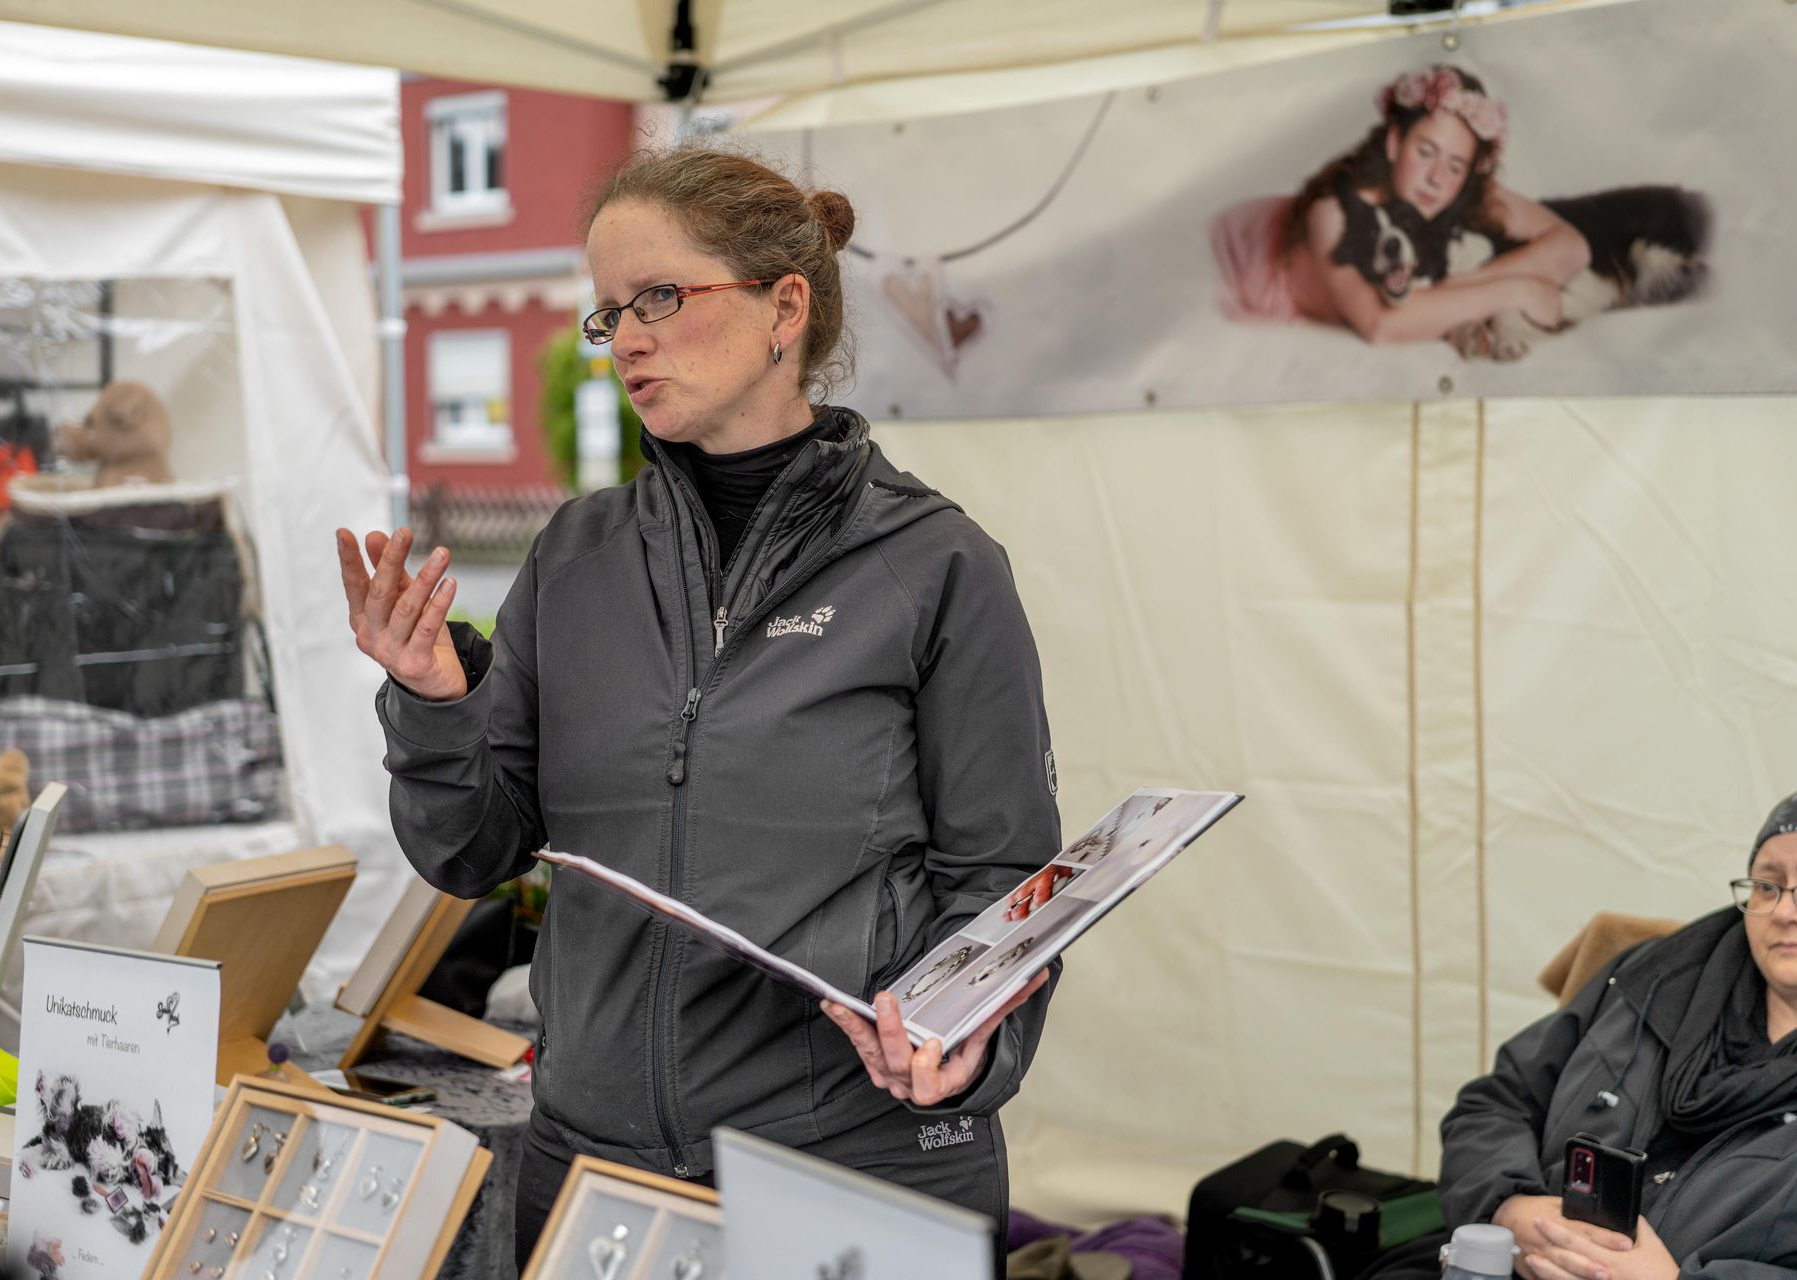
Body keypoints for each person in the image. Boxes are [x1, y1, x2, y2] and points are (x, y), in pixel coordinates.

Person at [335, 146, 1061, 1265]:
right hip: (594, 1176)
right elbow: (471, 850)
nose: (625, 337)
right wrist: (435, 699)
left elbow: (1004, 883)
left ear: (784, 308)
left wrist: (970, 1039)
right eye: (609, 312)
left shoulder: (936, 564)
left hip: (847, 1171)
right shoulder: (575, 555)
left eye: (660, 298)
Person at [1368, 782, 1797, 1280]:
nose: (1785, 911)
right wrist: (1507, 1207)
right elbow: (1495, 1103)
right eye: (1767, 885)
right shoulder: (1655, 978)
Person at [1213, 65, 1587, 343]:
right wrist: (1515, 290)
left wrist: (1463, 286)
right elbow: (1382, 324)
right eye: (1425, 152)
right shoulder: (1332, 210)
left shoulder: (1451, 186)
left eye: (1456, 165)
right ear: (1394, 143)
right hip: (1235, 256)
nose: (1437, 178)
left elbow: (1572, 247)